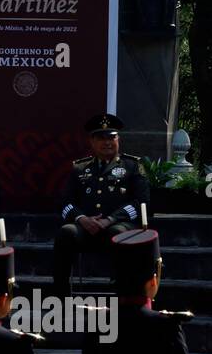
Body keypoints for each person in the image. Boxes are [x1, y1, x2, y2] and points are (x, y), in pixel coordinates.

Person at [52, 113, 149, 297]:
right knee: (66, 233)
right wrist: (81, 219)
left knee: (118, 233)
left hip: (118, 225)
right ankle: (60, 298)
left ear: (118, 139)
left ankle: (125, 298)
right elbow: (65, 203)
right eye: (102, 138)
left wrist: (110, 220)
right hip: (86, 228)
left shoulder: (133, 166)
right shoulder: (80, 168)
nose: (107, 142)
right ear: (92, 141)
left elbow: (141, 202)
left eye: (112, 137)